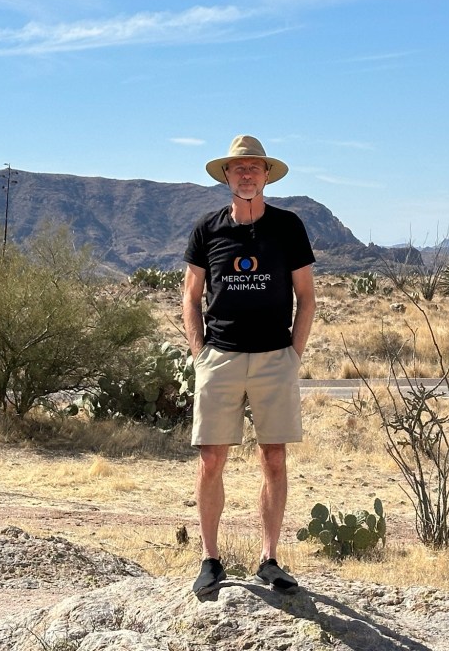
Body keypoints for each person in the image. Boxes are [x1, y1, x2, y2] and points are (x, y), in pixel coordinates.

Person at [182, 134, 316, 596]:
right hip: (219, 355)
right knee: (211, 458)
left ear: (265, 175)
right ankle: (210, 559)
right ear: (226, 175)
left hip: (274, 356)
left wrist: (293, 354)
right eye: (238, 168)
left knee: (273, 458)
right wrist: (200, 352)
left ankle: (270, 559)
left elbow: (306, 297)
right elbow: (191, 295)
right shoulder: (207, 229)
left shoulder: (288, 226)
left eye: (254, 167)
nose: (246, 174)